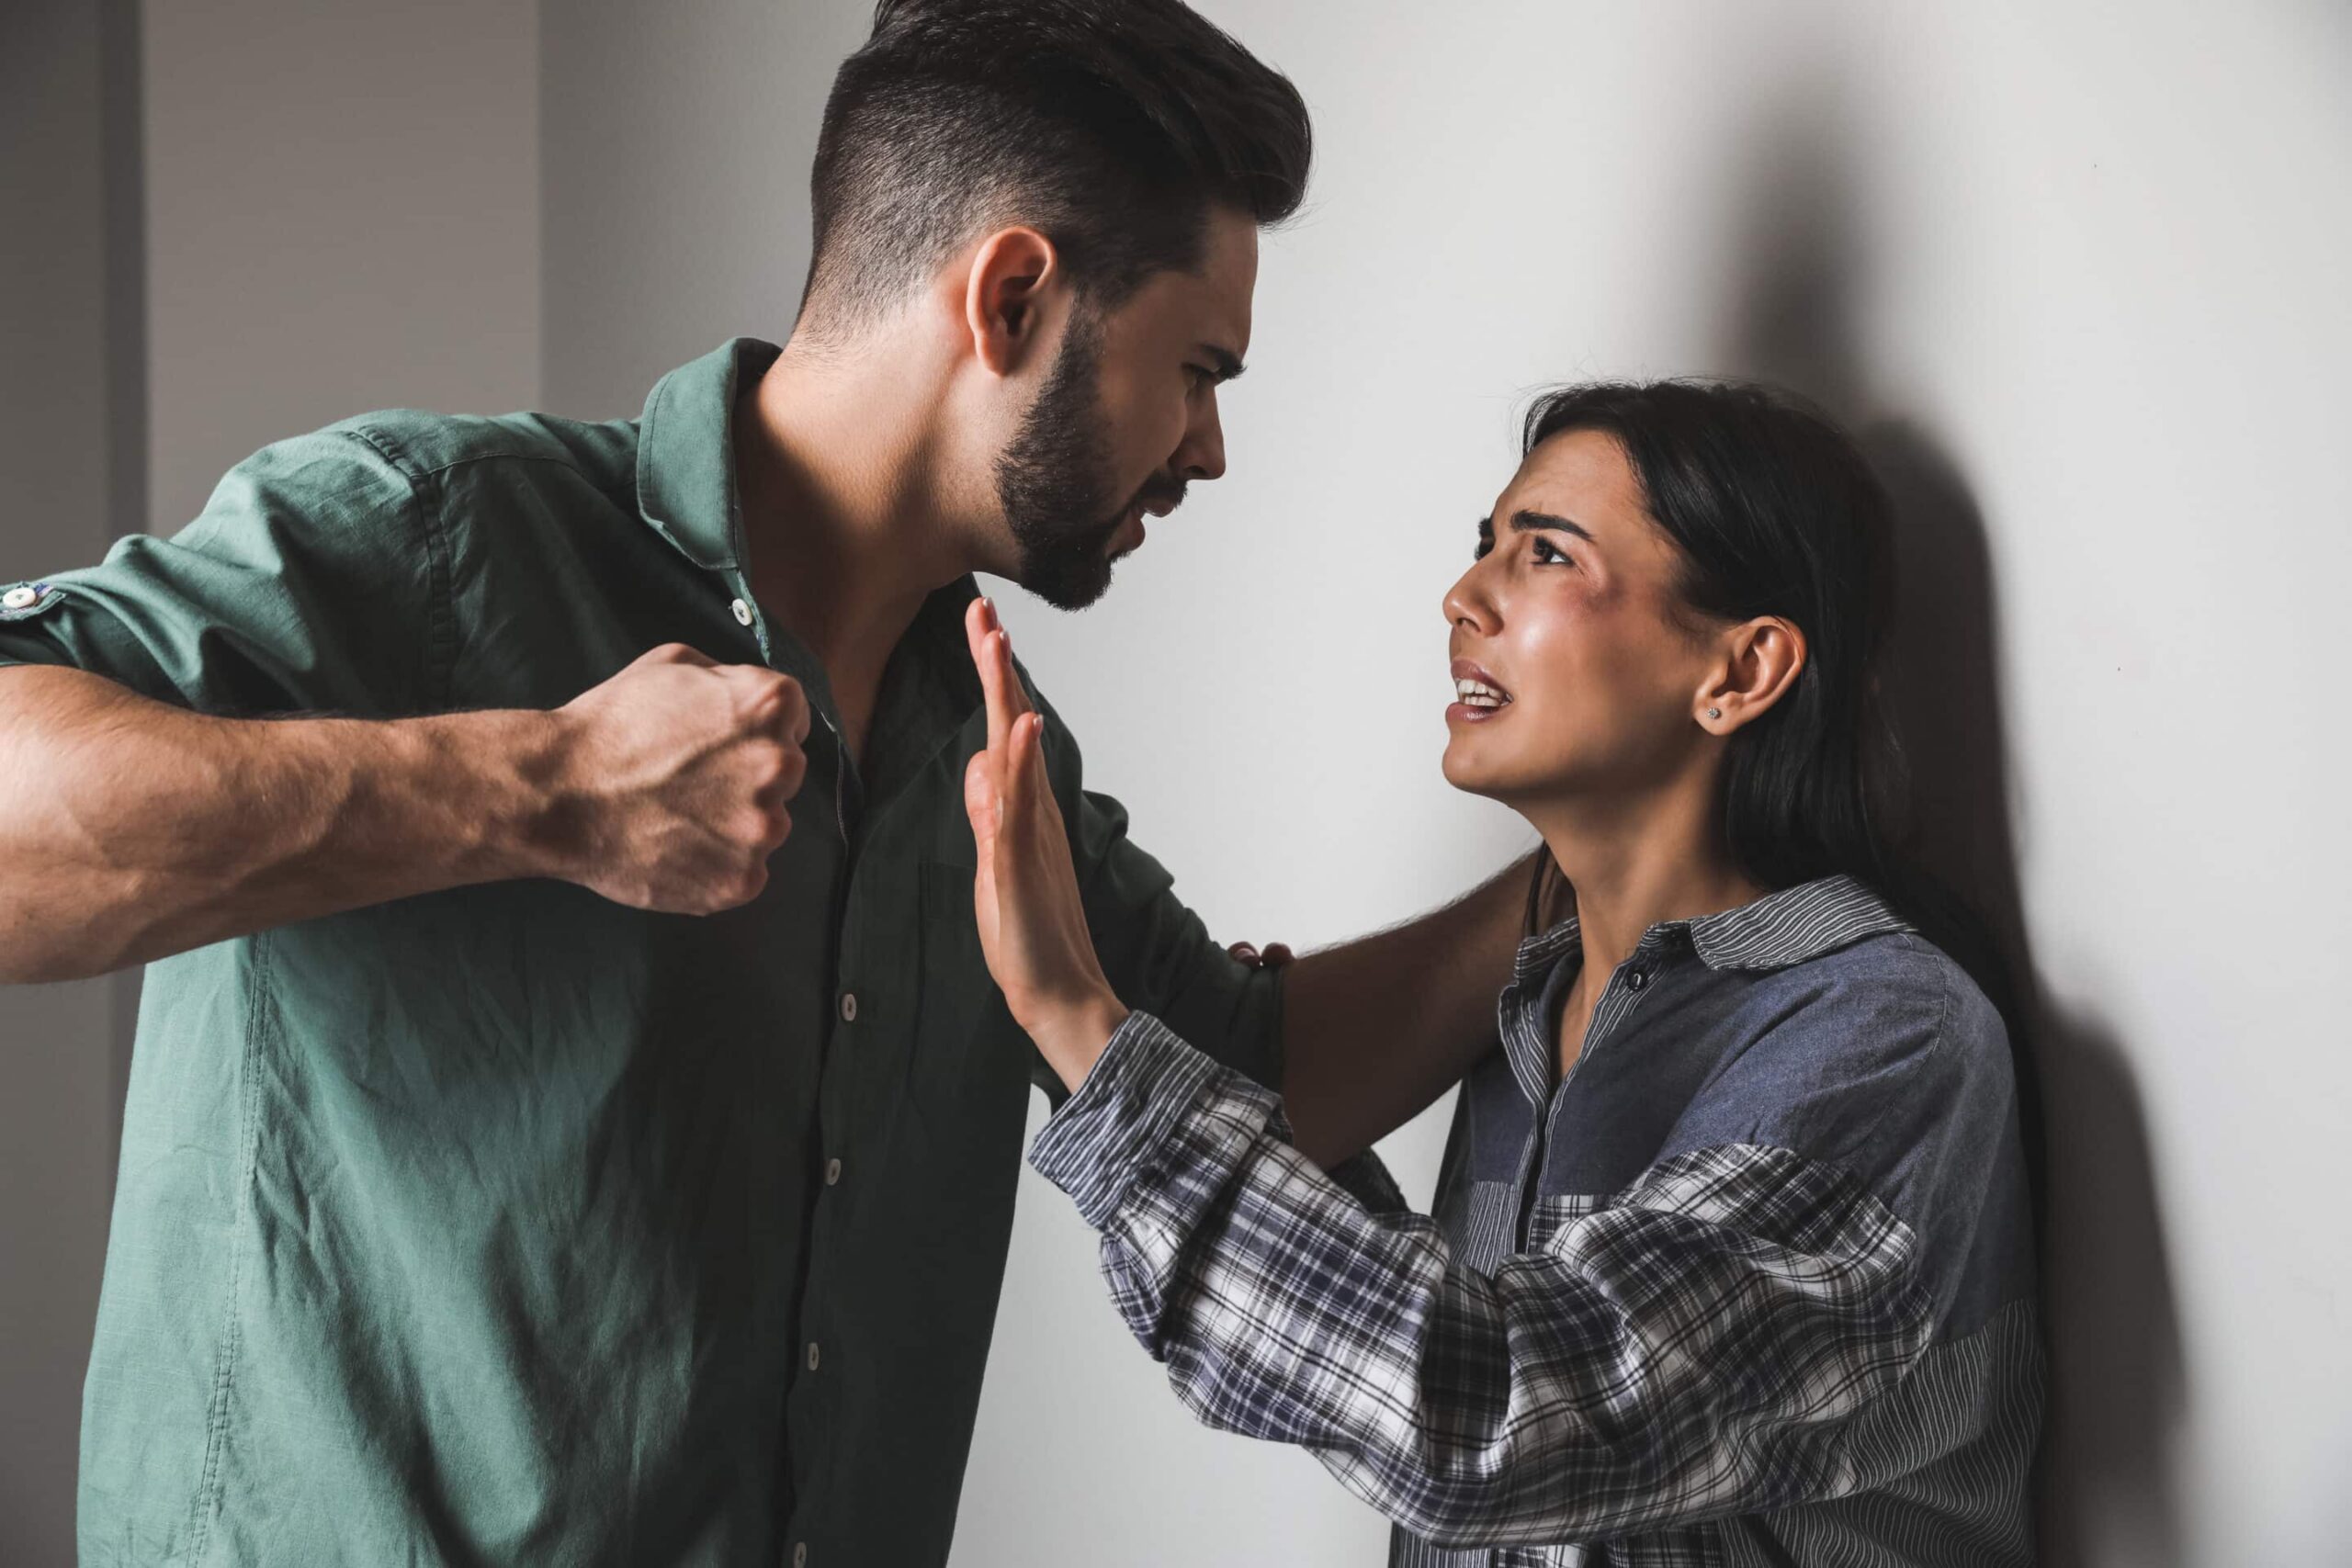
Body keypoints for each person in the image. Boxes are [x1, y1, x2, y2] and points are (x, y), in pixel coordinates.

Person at [0, 3, 1527, 1563]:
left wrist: (1615, 857)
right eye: (1197, 369)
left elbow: (1238, 1075)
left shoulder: (992, 746)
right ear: (1012, 295)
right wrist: (545, 789)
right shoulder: (435, 532)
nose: (1206, 450)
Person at [961, 380, 2045, 1564]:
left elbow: (1495, 1419)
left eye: (1543, 554)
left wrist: (1076, 1018)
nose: (1464, 597)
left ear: (1740, 674)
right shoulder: (1532, 1023)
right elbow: (1453, 1366)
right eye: (1485, 549)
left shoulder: (1885, 1038)